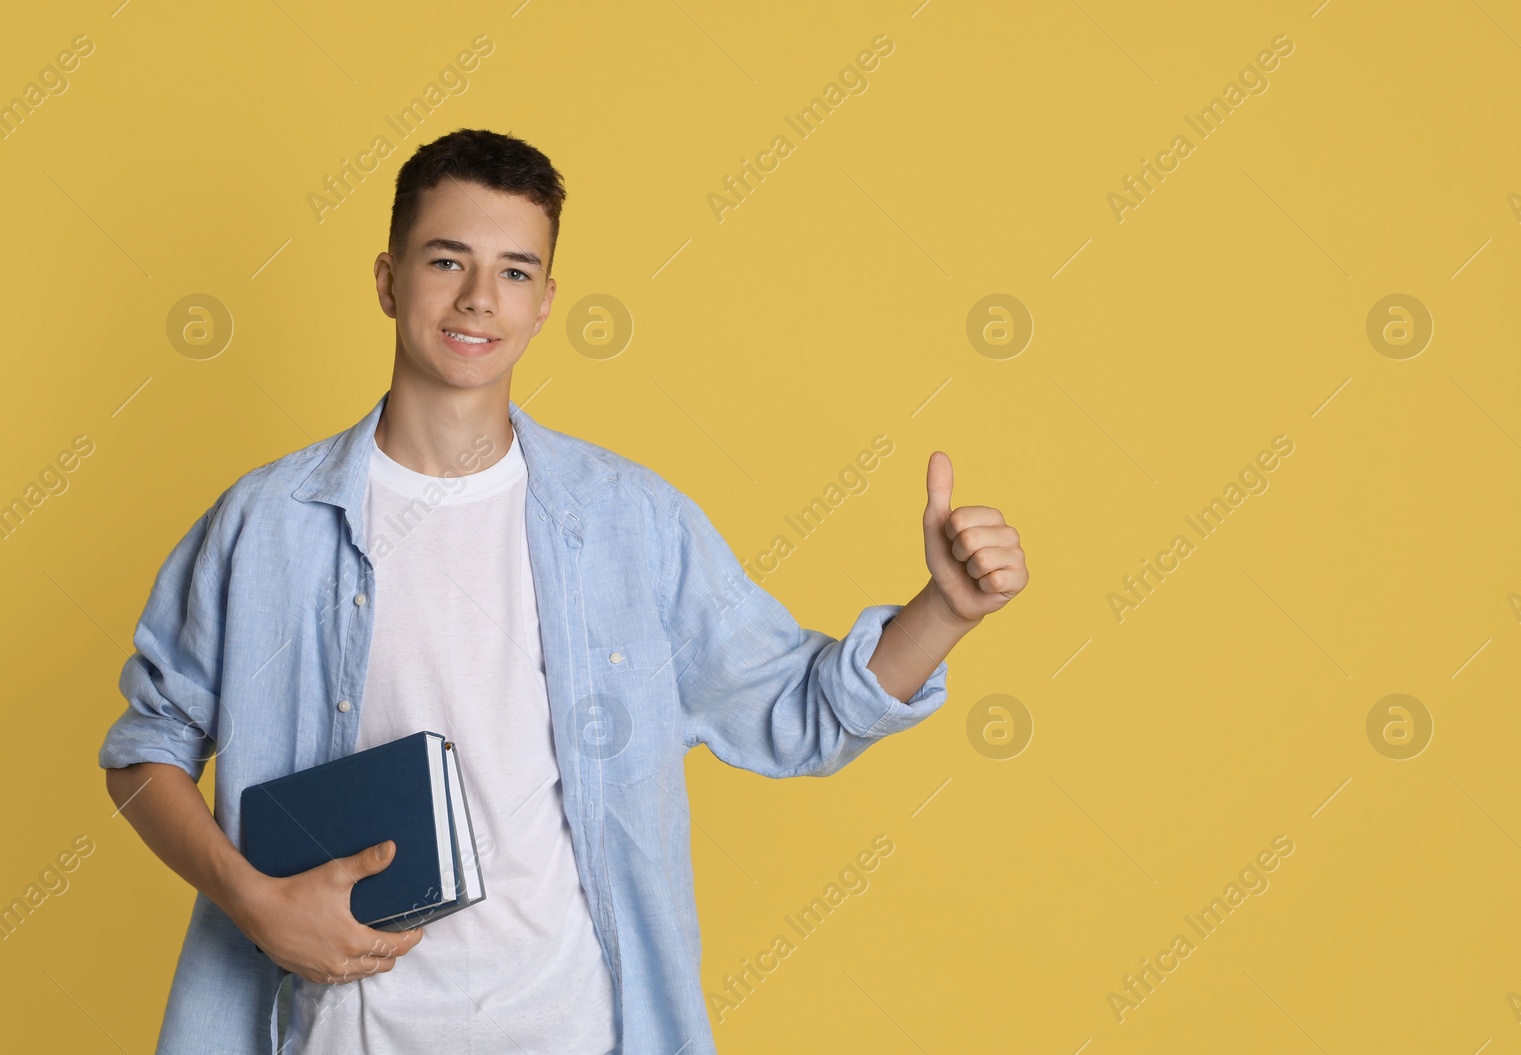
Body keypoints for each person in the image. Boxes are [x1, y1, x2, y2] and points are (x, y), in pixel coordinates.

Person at [100, 127, 1028, 1055]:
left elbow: (800, 711)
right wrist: (252, 900)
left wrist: (945, 609)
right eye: (447, 260)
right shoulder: (265, 524)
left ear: (545, 302)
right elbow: (145, 752)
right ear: (388, 279)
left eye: (513, 272)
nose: (477, 298)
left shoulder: (631, 521)